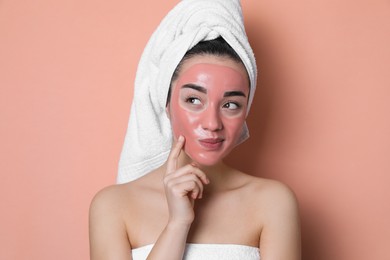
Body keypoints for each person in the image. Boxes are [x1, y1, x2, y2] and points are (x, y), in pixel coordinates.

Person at [89, 1, 300, 259]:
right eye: (193, 100)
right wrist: (177, 225)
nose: (212, 123)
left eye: (231, 104)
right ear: (165, 103)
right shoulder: (113, 206)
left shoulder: (272, 203)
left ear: (246, 111)